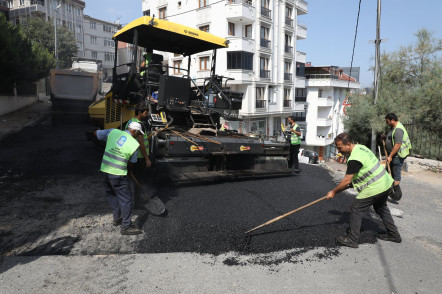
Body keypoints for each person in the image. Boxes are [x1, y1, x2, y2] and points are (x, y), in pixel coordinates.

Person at [326, 133, 401, 248]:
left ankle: (352, 239)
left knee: (356, 208)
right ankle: (394, 234)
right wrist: (352, 183)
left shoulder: (354, 159)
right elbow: (365, 171)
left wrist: (334, 192)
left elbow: (346, 181)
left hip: (376, 186)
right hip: (386, 182)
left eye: (340, 147)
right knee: (381, 208)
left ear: (348, 145)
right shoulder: (361, 148)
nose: (338, 150)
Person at [94, 122, 144, 235]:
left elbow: (96, 134)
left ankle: (117, 218)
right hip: (118, 175)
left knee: (111, 194)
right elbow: (131, 163)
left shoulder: (113, 132)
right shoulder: (134, 144)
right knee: (126, 199)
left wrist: (96, 130)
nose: (138, 135)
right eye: (138, 133)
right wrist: (129, 171)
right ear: (134, 131)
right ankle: (126, 226)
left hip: (106, 172)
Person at [125, 103, 152, 209]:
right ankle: (137, 203)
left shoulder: (131, 121)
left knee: (137, 179)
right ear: (139, 112)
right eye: (145, 113)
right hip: (139, 156)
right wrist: (147, 159)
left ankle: (136, 200)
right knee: (138, 180)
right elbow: (141, 144)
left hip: (136, 156)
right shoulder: (137, 125)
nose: (147, 115)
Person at [383, 113, 412, 201]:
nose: (387, 123)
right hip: (394, 154)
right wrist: (385, 137)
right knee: (389, 171)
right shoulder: (394, 127)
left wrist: (390, 156)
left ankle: (396, 194)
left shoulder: (398, 129)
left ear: (392, 120)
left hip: (398, 155)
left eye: (388, 121)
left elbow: (398, 144)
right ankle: (388, 190)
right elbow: (392, 138)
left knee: (395, 173)